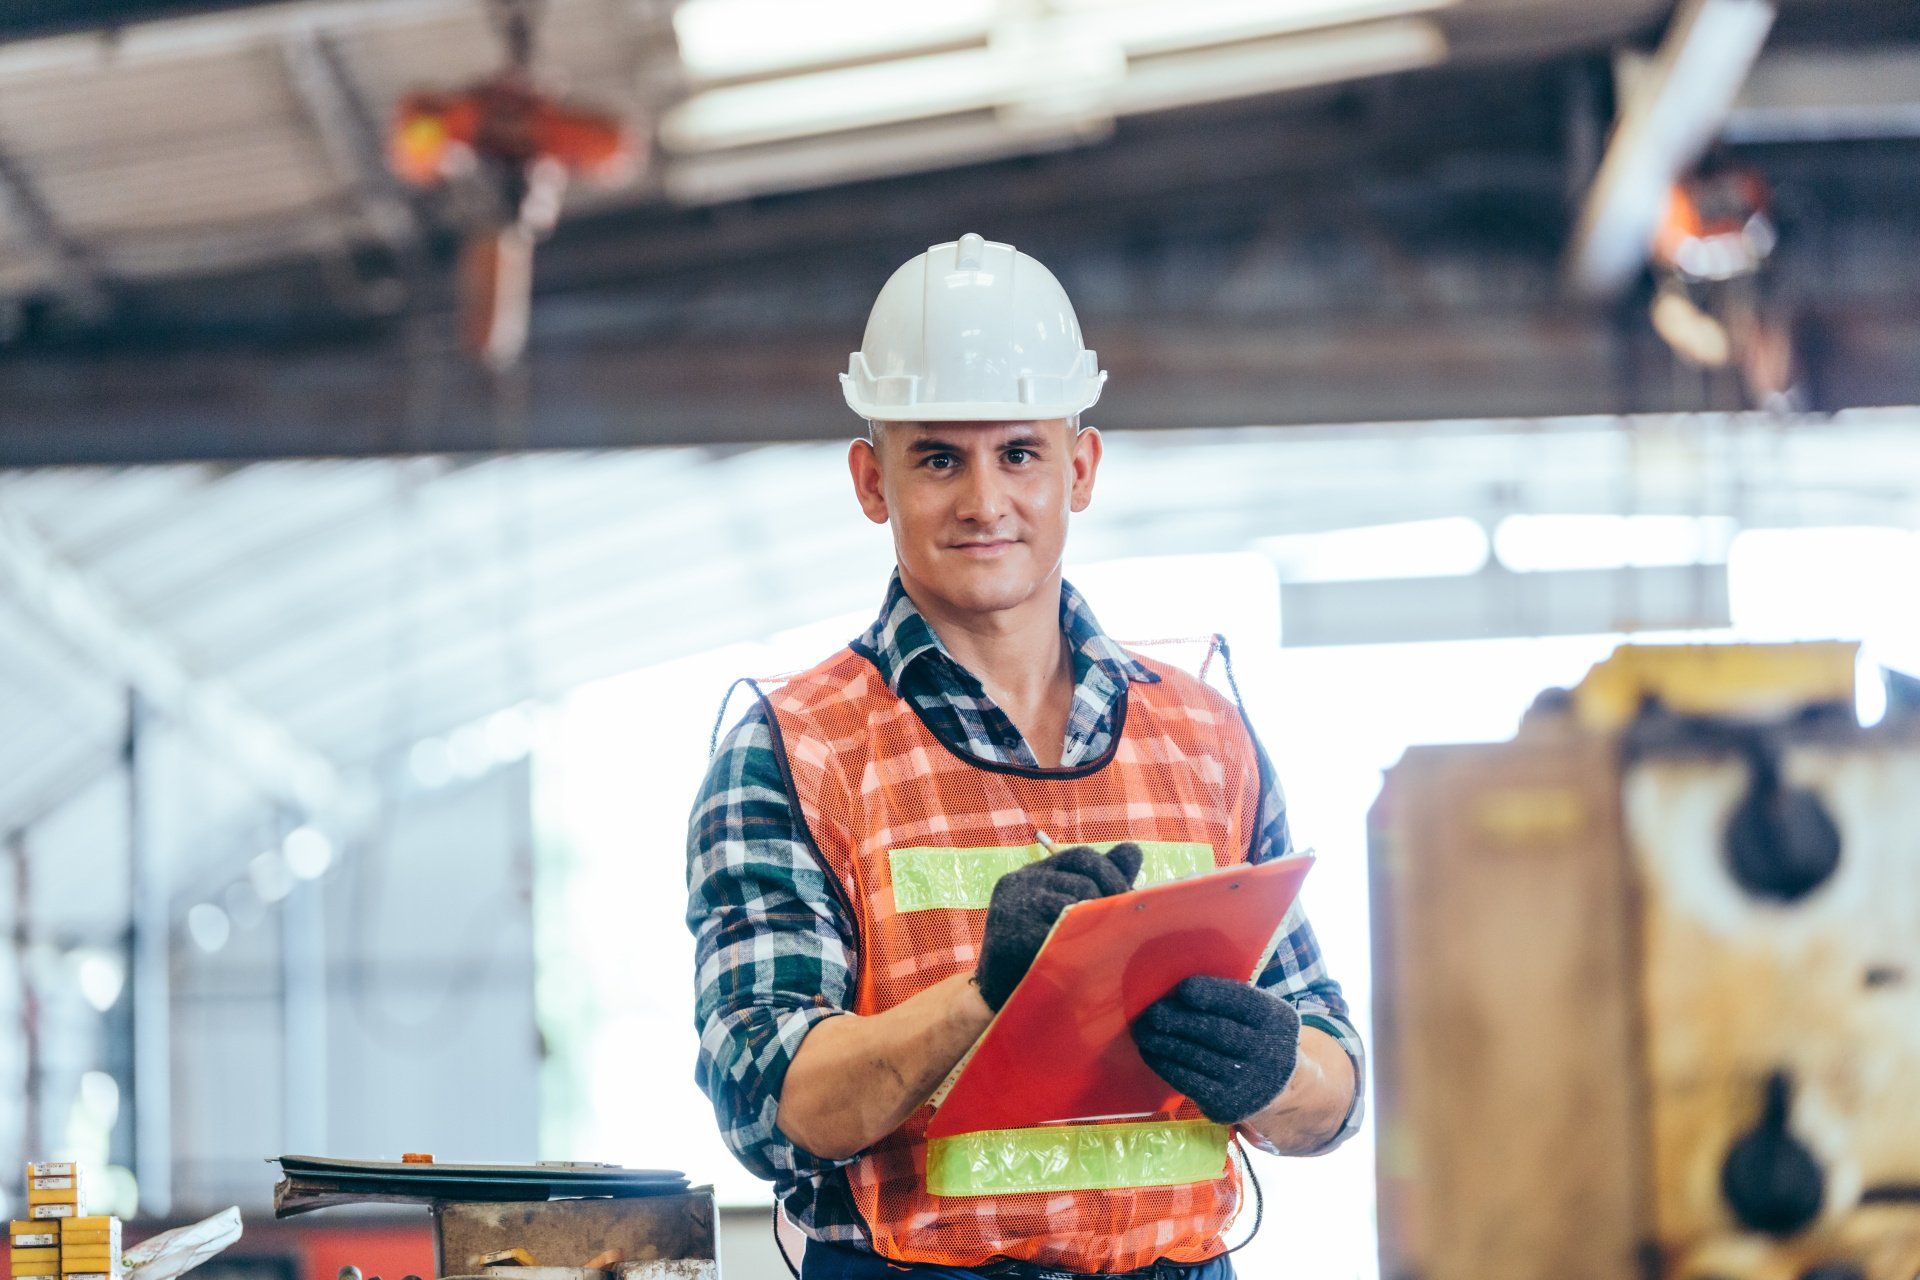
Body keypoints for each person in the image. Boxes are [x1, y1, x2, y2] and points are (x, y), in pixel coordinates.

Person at [686, 234, 1363, 1280]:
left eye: (1019, 451)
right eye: (938, 457)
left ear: (1079, 468)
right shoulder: (797, 752)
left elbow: (1334, 1089)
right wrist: (985, 993)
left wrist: (1274, 1064)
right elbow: (772, 1100)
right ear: (873, 480)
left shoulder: (1206, 738)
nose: (984, 501)